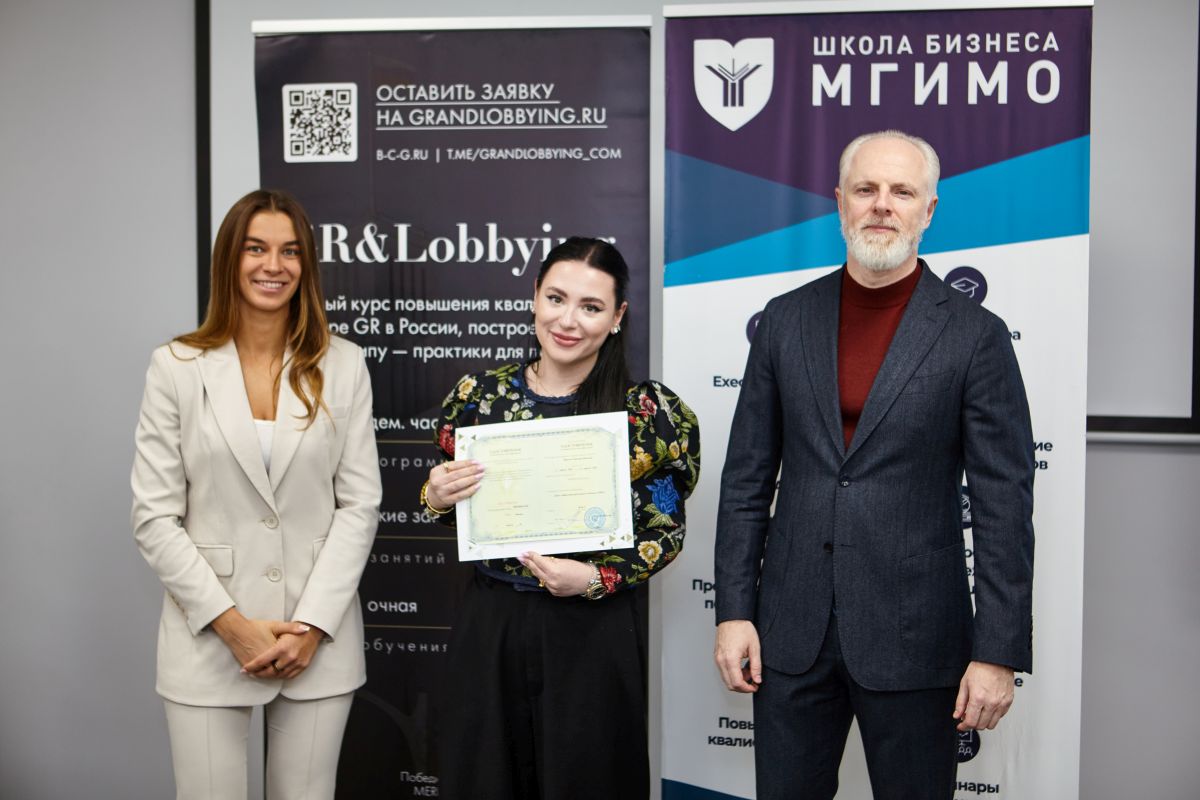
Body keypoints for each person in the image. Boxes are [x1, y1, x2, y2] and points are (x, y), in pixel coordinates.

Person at [712, 130, 1035, 800]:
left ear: (928, 210)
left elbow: (1004, 505)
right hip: (790, 633)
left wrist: (998, 651)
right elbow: (746, 480)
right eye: (866, 189)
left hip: (919, 634)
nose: (882, 204)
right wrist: (734, 611)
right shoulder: (783, 321)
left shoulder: (976, 336)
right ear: (840, 202)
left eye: (902, 192)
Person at [422, 236, 700, 800]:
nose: (568, 321)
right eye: (556, 298)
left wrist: (596, 578)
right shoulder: (480, 397)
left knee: (590, 780)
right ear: (534, 297)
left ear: (618, 317)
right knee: (483, 779)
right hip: (492, 622)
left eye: (591, 307)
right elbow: (456, 513)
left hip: (593, 631)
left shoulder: (649, 413)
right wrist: (436, 496)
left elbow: (666, 532)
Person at [131, 189, 381, 799]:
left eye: (290, 251)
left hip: (315, 638)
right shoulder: (176, 367)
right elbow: (154, 519)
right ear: (229, 259)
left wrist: (312, 626)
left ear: (306, 264)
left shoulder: (345, 365)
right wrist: (233, 626)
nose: (274, 265)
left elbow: (359, 506)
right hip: (209, 634)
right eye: (256, 249)